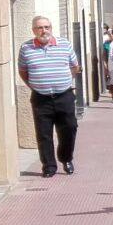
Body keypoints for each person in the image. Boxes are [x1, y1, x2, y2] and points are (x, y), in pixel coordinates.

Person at [17, 16, 82, 177]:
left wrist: (64, 81)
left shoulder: (64, 44)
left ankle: (66, 158)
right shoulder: (26, 48)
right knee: (43, 133)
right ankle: (49, 166)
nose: (44, 30)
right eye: (39, 28)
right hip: (41, 98)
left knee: (70, 127)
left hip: (64, 96)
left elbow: (75, 67)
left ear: (51, 28)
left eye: (47, 27)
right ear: (34, 30)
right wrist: (37, 85)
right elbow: (23, 72)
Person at [102, 28, 113, 102]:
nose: (111, 36)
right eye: (110, 35)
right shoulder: (106, 44)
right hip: (112, 65)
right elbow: (104, 56)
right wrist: (105, 66)